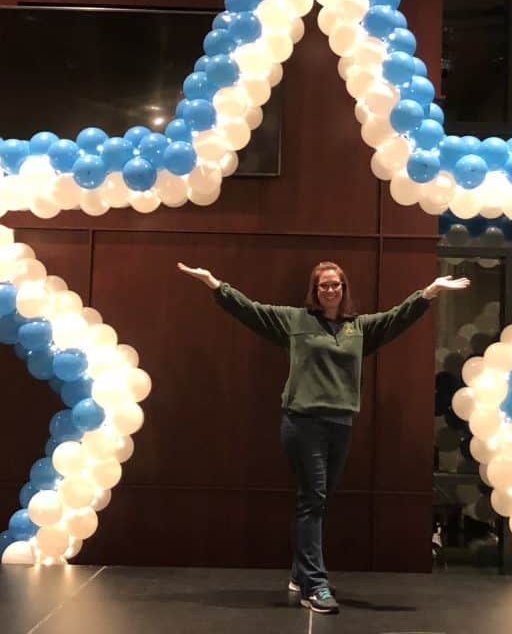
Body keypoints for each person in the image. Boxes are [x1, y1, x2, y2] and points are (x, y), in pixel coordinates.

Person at [177, 260, 469, 614]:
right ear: (314, 291)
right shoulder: (295, 321)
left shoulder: (358, 328)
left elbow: (396, 318)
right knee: (313, 500)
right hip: (303, 423)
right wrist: (215, 284)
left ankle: (300, 574)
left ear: (344, 289)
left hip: (340, 423)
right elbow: (250, 311)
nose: (329, 290)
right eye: (323, 286)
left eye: (335, 285)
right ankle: (315, 586)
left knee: (317, 501)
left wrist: (430, 292)